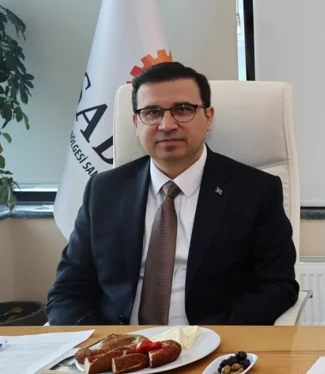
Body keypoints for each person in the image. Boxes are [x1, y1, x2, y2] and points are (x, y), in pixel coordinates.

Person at [47, 62, 299, 325]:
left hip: (213, 341)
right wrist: (102, 344)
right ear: (135, 123)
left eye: (183, 109)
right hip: (120, 344)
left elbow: (278, 286)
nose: (166, 125)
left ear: (208, 117)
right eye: (152, 112)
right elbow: (68, 291)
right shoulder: (103, 191)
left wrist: (213, 337)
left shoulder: (255, 191)